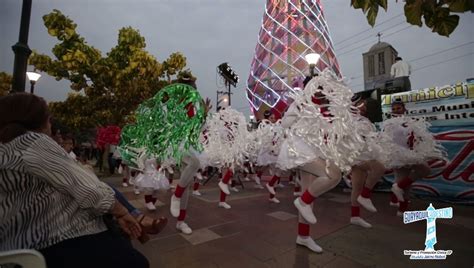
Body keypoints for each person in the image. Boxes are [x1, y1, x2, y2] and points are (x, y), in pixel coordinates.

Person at [0, 93, 149, 268]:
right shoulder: (29, 142)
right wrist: (122, 212)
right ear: (37, 121)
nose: (51, 126)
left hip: (16, 245)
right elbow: (90, 190)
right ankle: (137, 219)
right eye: (49, 120)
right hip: (55, 238)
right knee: (136, 262)